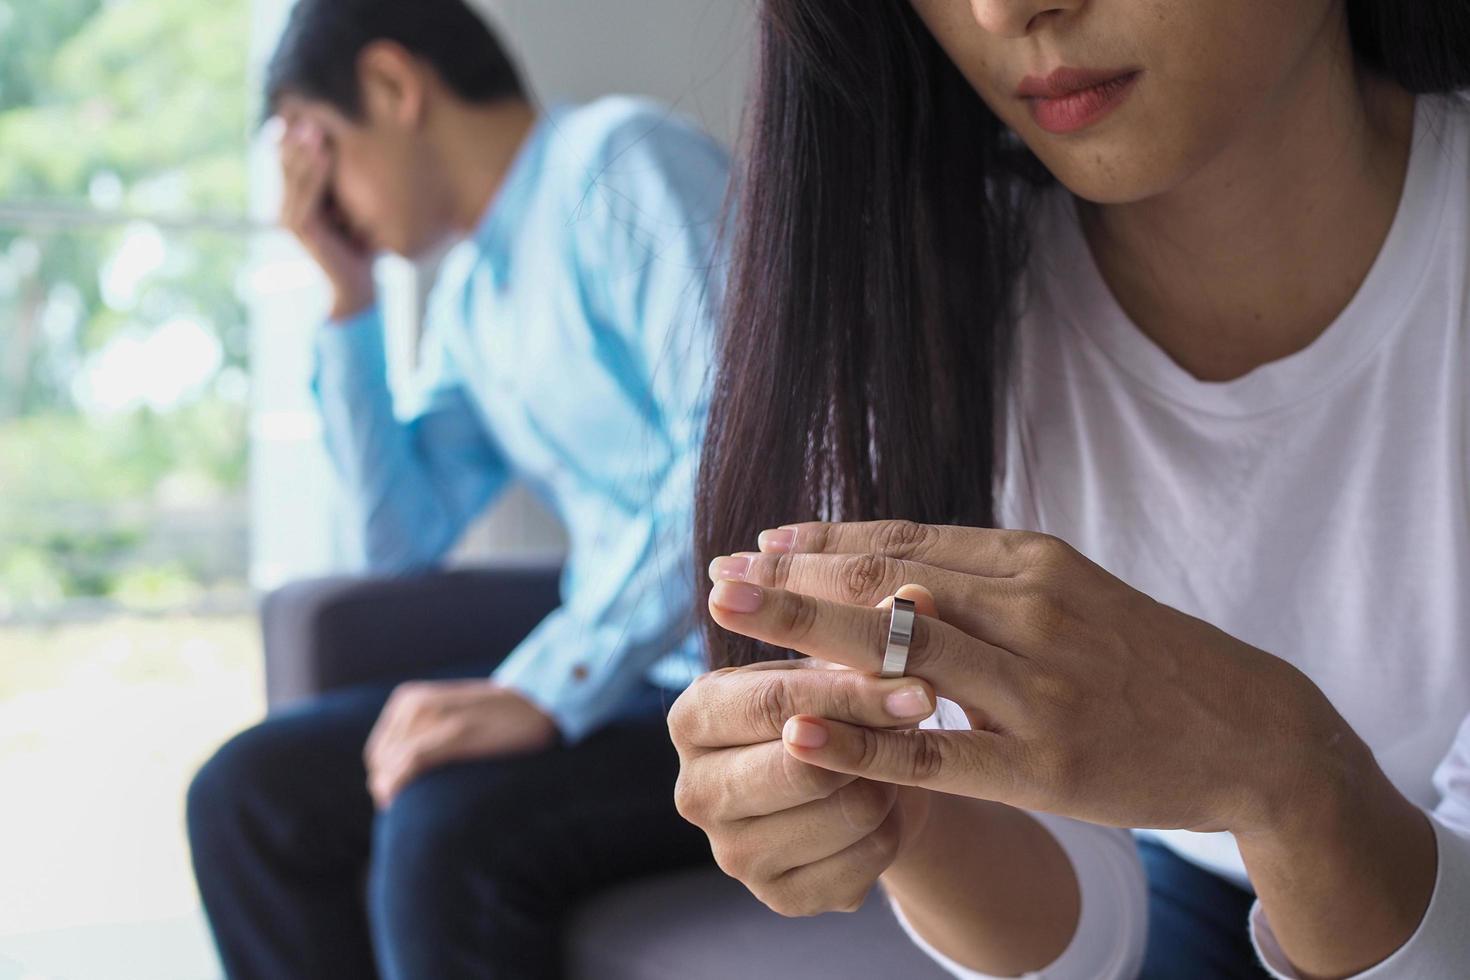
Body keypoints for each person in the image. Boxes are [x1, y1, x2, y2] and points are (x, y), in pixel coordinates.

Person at [668, 1, 1470, 978]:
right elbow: (1082, 939)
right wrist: (901, 800)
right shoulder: (930, 291)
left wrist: (1284, 776)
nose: (1004, 10)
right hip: (1203, 864)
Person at [186, 0, 727, 976]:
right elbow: (399, 543)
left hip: (736, 681)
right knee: (247, 793)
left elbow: (739, 460)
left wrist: (543, 686)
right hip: (626, 683)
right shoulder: (475, 300)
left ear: (395, 88)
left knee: (444, 823)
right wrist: (346, 296)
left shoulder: (621, 164)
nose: (322, 200)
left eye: (325, 159)